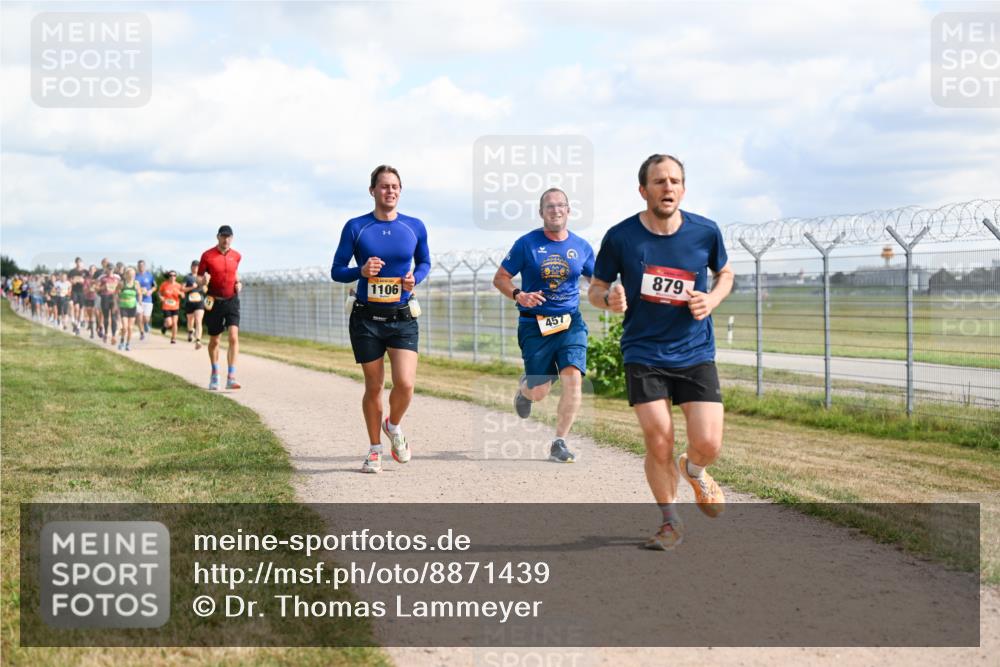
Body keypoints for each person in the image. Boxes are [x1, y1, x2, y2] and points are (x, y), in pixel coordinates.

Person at [588, 154, 734, 551]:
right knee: (659, 440)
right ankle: (670, 522)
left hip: (695, 351)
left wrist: (712, 299)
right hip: (644, 351)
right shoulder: (621, 237)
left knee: (709, 443)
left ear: (683, 189)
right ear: (643, 190)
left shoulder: (705, 231)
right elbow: (596, 289)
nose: (668, 187)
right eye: (659, 181)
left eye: (674, 181)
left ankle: (695, 470)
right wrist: (609, 299)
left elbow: (725, 273)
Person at [331, 165, 430, 473]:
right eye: (384, 186)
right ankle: (375, 450)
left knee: (406, 383)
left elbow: (424, 262)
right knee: (374, 386)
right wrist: (360, 271)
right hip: (366, 318)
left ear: (400, 191)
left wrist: (415, 278)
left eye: (395, 186)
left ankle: (393, 425)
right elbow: (336, 270)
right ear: (372, 190)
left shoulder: (414, 226)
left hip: (402, 316)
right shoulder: (356, 227)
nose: (390, 191)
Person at [492, 187, 595, 463]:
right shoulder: (526, 244)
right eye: (550, 206)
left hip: (570, 323)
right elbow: (500, 278)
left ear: (568, 210)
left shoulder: (582, 247)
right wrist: (519, 294)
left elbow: (596, 282)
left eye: (561, 205)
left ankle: (559, 442)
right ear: (541, 213)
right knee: (539, 392)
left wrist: (612, 293)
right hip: (534, 325)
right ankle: (525, 391)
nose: (556, 210)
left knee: (573, 378)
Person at [197, 226, 243, 390]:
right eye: (223, 236)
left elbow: (235, 273)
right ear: (218, 237)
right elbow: (199, 277)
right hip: (214, 301)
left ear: (232, 238)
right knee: (215, 340)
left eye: (229, 237)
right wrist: (203, 281)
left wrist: (239, 283)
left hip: (231, 300)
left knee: (233, 336)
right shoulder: (207, 255)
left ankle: (231, 377)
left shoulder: (237, 256)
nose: (226, 240)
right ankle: (215, 374)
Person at [183, 260, 206, 350]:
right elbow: (182, 289)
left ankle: (198, 341)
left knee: (198, 320)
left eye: (197, 266)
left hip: (200, 301)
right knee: (190, 320)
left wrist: (204, 286)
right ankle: (190, 331)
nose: (196, 267)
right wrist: (192, 287)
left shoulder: (202, 277)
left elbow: (206, 290)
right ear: (191, 267)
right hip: (190, 302)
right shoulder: (187, 277)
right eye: (194, 266)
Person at [116, 267, 141, 351]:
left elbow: (139, 293)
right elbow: (116, 293)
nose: (131, 276)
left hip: (132, 307)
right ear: (126, 275)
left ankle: (128, 344)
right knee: (125, 327)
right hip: (123, 307)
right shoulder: (122, 284)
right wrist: (116, 302)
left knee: (130, 328)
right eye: (130, 274)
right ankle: (122, 342)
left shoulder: (136, 284)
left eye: (133, 274)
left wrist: (140, 301)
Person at [97, 265, 121, 343]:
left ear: (113, 269)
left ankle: (113, 336)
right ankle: (106, 333)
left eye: (111, 269)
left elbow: (121, 287)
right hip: (105, 297)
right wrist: (103, 287)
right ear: (106, 269)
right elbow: (97, 288)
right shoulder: (102, 278)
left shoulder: (117, 277)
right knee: (106, 317)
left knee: (113, 317)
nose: (110, 270)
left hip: (114, 298)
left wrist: (119, 293)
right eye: (109, 269)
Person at [158, 271, 184, 344]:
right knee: (169, 323)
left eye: (174, 275)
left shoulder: (179, 285)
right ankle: (165, 327)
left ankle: (173, 338)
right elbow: (159, 292)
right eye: (171, 275)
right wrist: (161, 297)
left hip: (175, 306)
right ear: (169, 276)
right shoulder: (164, 284)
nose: (172, 277)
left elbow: (183, 294)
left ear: (176, 277)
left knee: (175, 323)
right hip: (166, 306)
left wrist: (181, 294)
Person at [135, 259, 156, 340]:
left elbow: (155, 286)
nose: (141, 267)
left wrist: (150, 291)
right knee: (139, 317)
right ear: (138, 266)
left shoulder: (149, 275)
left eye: (142, 265)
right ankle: (142, 333)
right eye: (139, 265)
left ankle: (146, 323)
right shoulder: (135, 276)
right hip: (137, 300)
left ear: (145, 266)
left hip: (148, 299)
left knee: (146, 318)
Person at [68, 257, 87, 334]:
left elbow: (88, 281)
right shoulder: (72, 271)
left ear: (82, 263)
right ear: (75, 263)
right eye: (77, 262)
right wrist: (72, 281)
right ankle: (73, 320)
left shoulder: (85, 271)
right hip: (75, 291)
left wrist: (83, 281)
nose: (79, 263)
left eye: (80, 262)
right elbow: (69, 280)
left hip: (82, 292)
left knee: (81, 309)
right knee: (75, 307)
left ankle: (78, 326)